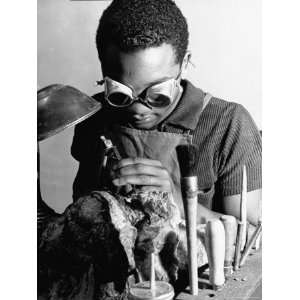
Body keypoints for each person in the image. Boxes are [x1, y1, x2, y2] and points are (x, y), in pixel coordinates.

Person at [71, 0, 261, 229]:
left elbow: (251, 240)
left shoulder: (228, 125)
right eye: (120, 94)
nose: (138, 109)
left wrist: (181, 203)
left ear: (185, 64)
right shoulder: (93, 115)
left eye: (157, 94)